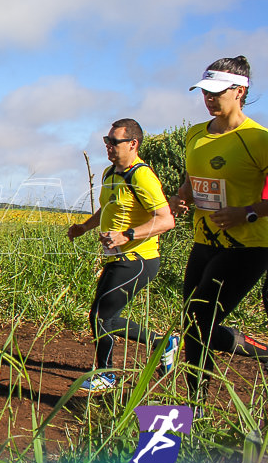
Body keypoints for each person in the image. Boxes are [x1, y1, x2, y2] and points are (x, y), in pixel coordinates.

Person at [169, 56, 268, 407]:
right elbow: (191, 181)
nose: (208, 99)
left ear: (239, 91)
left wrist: (247, 212)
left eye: (216, 92)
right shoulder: (195, 133)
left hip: (248, 246)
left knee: (199, 320)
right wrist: (182, 198)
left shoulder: (258, 138)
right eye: (204, 92)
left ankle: (196, 409)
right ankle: (196, 406)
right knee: (191, 324)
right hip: (203, 240)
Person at [66, 119, 177, 392]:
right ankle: (161, 343)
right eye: (107, 140)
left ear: (133, 144)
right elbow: (108, 210)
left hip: (139, 260)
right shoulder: (109, 173)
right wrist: (84, 227)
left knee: (101, 317)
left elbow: (166, 220)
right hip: (118, 258)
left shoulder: (141, 176)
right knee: (102, 316)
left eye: (114, 142)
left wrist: (127, 235)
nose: (108, 146)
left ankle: (107, 375)